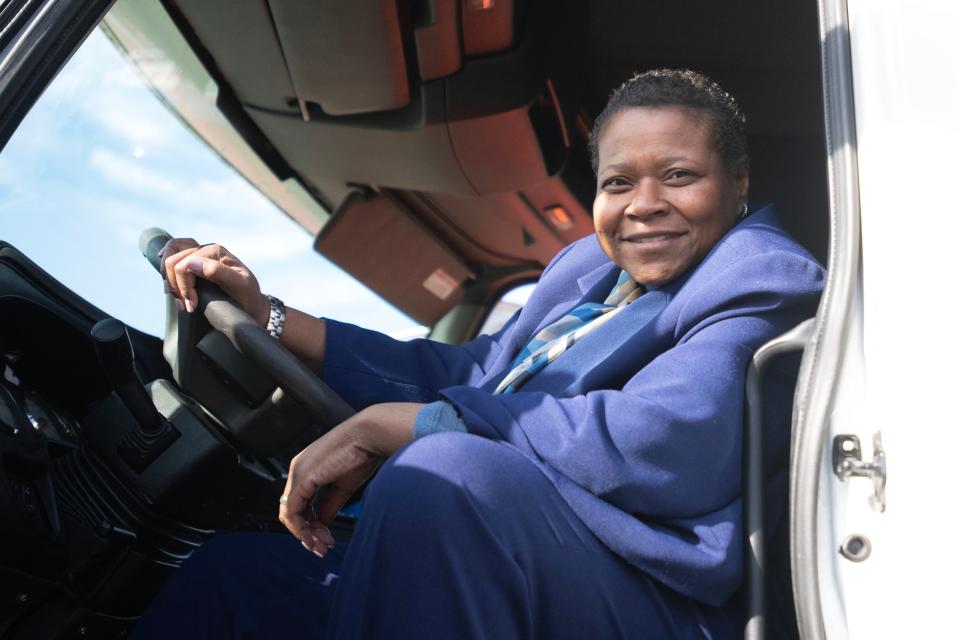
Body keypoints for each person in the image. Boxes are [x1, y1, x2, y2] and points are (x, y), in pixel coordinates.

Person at [136, 69, 824, 639]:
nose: (643, 204)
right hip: (509, 551)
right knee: (229, 577)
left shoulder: (761, 273)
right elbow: (470, 374)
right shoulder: (586, 267)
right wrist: (269, 315)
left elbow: (665, 443)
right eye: (618, 183)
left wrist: (413, 426)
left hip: (648, 594)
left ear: (737, 184)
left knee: (450, 471)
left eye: (677, 176)